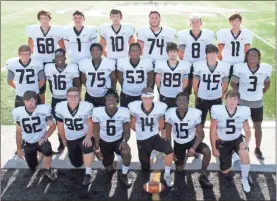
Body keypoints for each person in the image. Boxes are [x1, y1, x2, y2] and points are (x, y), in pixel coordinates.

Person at [231, 48, 272, 160]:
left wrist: (260, 93)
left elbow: (267, 83)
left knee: (257, 126)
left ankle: (257, 148)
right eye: (250, 55)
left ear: (259, 57)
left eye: (255, 55)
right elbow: (233, 82)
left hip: (257, 101)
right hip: (243, 100)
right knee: (238, 125)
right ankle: (237, 147)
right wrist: (237, 92)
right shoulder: (240, 68)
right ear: (246, 57)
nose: (252, 57)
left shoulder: (265, 69)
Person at [128, 87, 174, 187]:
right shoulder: (134, 107)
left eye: (149, 98)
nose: (147, 100)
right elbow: (132, 125)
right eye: (145, 98)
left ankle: (167, 174)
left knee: (169, 150)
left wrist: (151, 132)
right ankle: (153, 152)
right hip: (141, 140)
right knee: (145, 167)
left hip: (154, 137)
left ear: (153, 97)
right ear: (141, 98)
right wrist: (142, 133)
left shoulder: (160, 107)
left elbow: (161, 125)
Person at [165, 92, 213, 188]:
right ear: (176, 102)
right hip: (178, 142)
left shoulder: (194, 114)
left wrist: (193, 148)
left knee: (207, 151)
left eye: (184, 100)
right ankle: (187, 154)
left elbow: (201, 135)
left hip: (191, 140)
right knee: (179, 170)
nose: (182, 102)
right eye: (179, 100)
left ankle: (203, 174)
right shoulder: (170, 113)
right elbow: (168, 135)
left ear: (188, 102)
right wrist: (171, 151)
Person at [210, 89, 252, 193]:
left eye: (235, 98)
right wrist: (214, 148)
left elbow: (247, 130)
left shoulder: (243, 111)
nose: (232, 101)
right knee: (225, 170)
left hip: (237, 138)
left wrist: (246, 142)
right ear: (225, 98)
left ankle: (244, 178)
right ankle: (233, 157)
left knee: (245, 154)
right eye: (230, 98)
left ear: (238, 100)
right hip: (223, 141)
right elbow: (212, 130)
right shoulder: (217, 110)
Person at [12, 91, 57, 180]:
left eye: (32, 100)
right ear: (24, 102)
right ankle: (39, 154)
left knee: (47, 150)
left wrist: (45, 137)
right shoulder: (19, 113)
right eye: (27, 101)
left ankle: (48, 169)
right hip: (28, 142)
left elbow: (53, 126)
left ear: (36, 100)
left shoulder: (43, 111)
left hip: (40, 140)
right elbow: (18, 132)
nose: (30, 103)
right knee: (33, 166)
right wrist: (19, 149)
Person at [93, 89, 132, 188]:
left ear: (117, 100)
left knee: (127, 153)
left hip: (118, 141)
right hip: (104, 141)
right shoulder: (97, 112)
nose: (111, 102)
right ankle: (110, 165)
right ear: (105, 101)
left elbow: (127, 131)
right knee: (109, 169)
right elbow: (96, 132)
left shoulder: (124, 111)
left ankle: (124, 174)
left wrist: (124, 141)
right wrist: (97, 148)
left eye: (113, 99)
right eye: (108, 100)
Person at [55, 87, 95, 186]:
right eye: (70, 96)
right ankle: (79, 154)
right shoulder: (60, 107)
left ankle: (88, 173)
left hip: (83, 134)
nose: (73, 98)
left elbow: (91, 124)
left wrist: (89, 136)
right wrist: (63, 140)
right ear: (66, 97)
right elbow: (60, 126)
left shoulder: (87, 106)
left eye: (76, 96)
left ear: (79, 97)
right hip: (71, 137)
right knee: (76, 164)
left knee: (88, 147)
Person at [45, 48, 81, 153]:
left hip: (69, 99)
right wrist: (55, 94)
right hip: (56, 99)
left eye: (61, 57)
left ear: (65, 58)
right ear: (54, 59)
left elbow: (77, 84)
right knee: (59, 122)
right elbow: (51, 84)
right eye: (57, 57)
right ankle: (61, 142)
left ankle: (74, 141)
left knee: (71, 120)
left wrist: (76, 97)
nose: (59, 59)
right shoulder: (50, 68)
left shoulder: (72, 68)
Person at [26, 10, 64, 104]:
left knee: (54, 86)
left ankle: (55, 106)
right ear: (39, 19)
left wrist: (59, 59)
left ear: (50, 19)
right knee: (40, 88)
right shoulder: (33, 31)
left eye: (46, 18)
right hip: (39, 62)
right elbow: (30, 46)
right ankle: (42, 107)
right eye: (42, 18)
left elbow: (62, 47)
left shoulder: (56, 31)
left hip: (52, 61)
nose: (44, 20)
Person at [193, 44, 230, 127]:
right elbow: (195, 83)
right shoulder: (199, 65)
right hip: (202, 97)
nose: (212, 55)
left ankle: (216, 140)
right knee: (199, 123)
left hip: (216, 97)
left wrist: (221, 94)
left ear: (217, 54)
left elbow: (225, 83)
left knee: (217, 123)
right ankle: (199, 140)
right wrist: (197, 94)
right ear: (206, 54)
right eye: (209, 53)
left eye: (214, 53)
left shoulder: (224, 66)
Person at [177, 13, 214, 95]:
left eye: (197, 22)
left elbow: (210, 53)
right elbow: (180, 54)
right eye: (193, 22)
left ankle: (199, 106)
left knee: (201, 89)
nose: (195, 24)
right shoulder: (184, 35)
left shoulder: (207, 35)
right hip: (188, 65)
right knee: (186, 90)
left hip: (201, 65)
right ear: (190, 24)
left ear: (201, 23)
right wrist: (185, 65)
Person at [217, 13, 253, 88]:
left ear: (240, 22)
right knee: (223, 86)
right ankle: (220, 99)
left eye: (237, 21)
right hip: (227, 63)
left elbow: (247, 50)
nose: (235, 23)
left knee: (238, 86)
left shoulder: (246, 33)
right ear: (230, 22)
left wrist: (245, 61)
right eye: (233, 21)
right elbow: (219, 50)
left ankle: (236, 100)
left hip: (239, 63)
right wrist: (222, 60)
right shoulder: (223, 33)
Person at [117, 43, 154, 108]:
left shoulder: (147, 61)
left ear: (140, 52)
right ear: (129, 53)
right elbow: (120, 78)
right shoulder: (122, 62)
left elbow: (150, 77)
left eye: (137, 50)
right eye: (132, 50)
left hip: (141, 94)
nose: (135, 52)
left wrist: (147, 87)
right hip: (126, 94)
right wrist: (126, 87)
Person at [155, 42, 190, 109]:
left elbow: (185, 82)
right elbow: (157, 81)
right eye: (171, 51)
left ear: (177, 52)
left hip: (177, 95)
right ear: (167, 53)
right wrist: (162, 90)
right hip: (164, 94)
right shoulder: (161, 64)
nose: (173, 54)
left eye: (174, 51)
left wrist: (180, 90)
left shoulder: (184, 65)